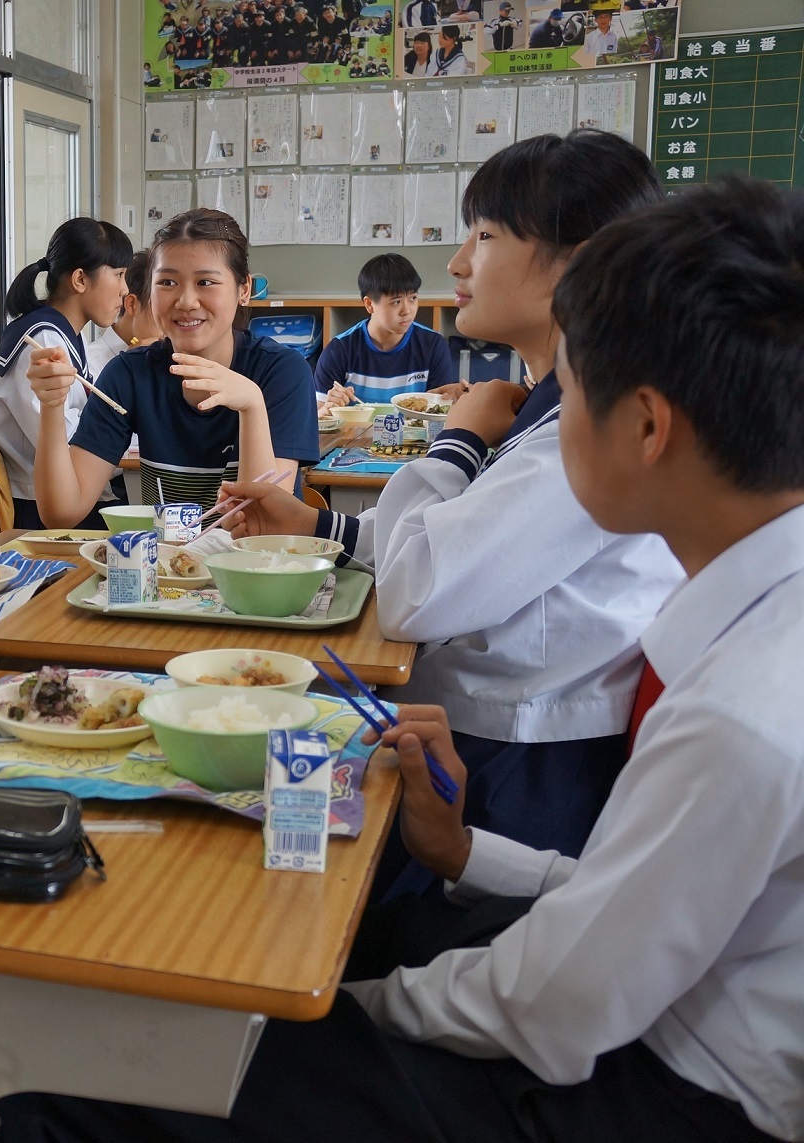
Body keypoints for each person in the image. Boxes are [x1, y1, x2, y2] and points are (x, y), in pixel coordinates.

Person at [0, 172, 804, 1143]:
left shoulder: (744, 711)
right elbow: (641, 914)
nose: (546, 416)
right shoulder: (752, 631)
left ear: (647, 426)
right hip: (642, 1018)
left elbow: (559, 1006)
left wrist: (334, 1004)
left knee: (119, 1081)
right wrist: (466, 856)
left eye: (569, 391)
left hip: (656, 1093)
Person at [224, 133, 686, 903]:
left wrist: (458, 438)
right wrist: (322, 529)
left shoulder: (593, 426)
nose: (458, 264)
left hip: (527, 768)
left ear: (577, 263)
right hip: (494, 735)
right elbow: (460, 543)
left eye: (486, 236)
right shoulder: (555, 401)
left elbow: (416, 593)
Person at [27, 208, 317, 523]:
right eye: (167, 282)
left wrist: (251, 404)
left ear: (243, 289)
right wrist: (52, 405)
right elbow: (61, 514)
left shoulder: (282, 371)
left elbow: (264, 525)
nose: (186, 301)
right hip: (164, 569)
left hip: (255, 570)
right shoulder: (130, 374)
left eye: (205, 282)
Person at [0, 217, 133, 529]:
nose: (125, 289)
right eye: (119, 275)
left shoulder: (65, 333)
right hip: (42, 511)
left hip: (64, 500)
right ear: (80, 279)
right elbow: (63, 444)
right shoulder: (42, 340)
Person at [317, 253, 460, 410]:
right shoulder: (339, 350)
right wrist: (328, 408)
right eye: (396, 302)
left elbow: (438, 413)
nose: (407, 311)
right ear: (369, 304)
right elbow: (317, 417)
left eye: (412, 298)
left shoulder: (433, 346)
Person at [86, 250, 163, 378]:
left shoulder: (164, 360)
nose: (168, 325)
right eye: (160, 309)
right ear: (132, 304)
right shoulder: (89, 365)